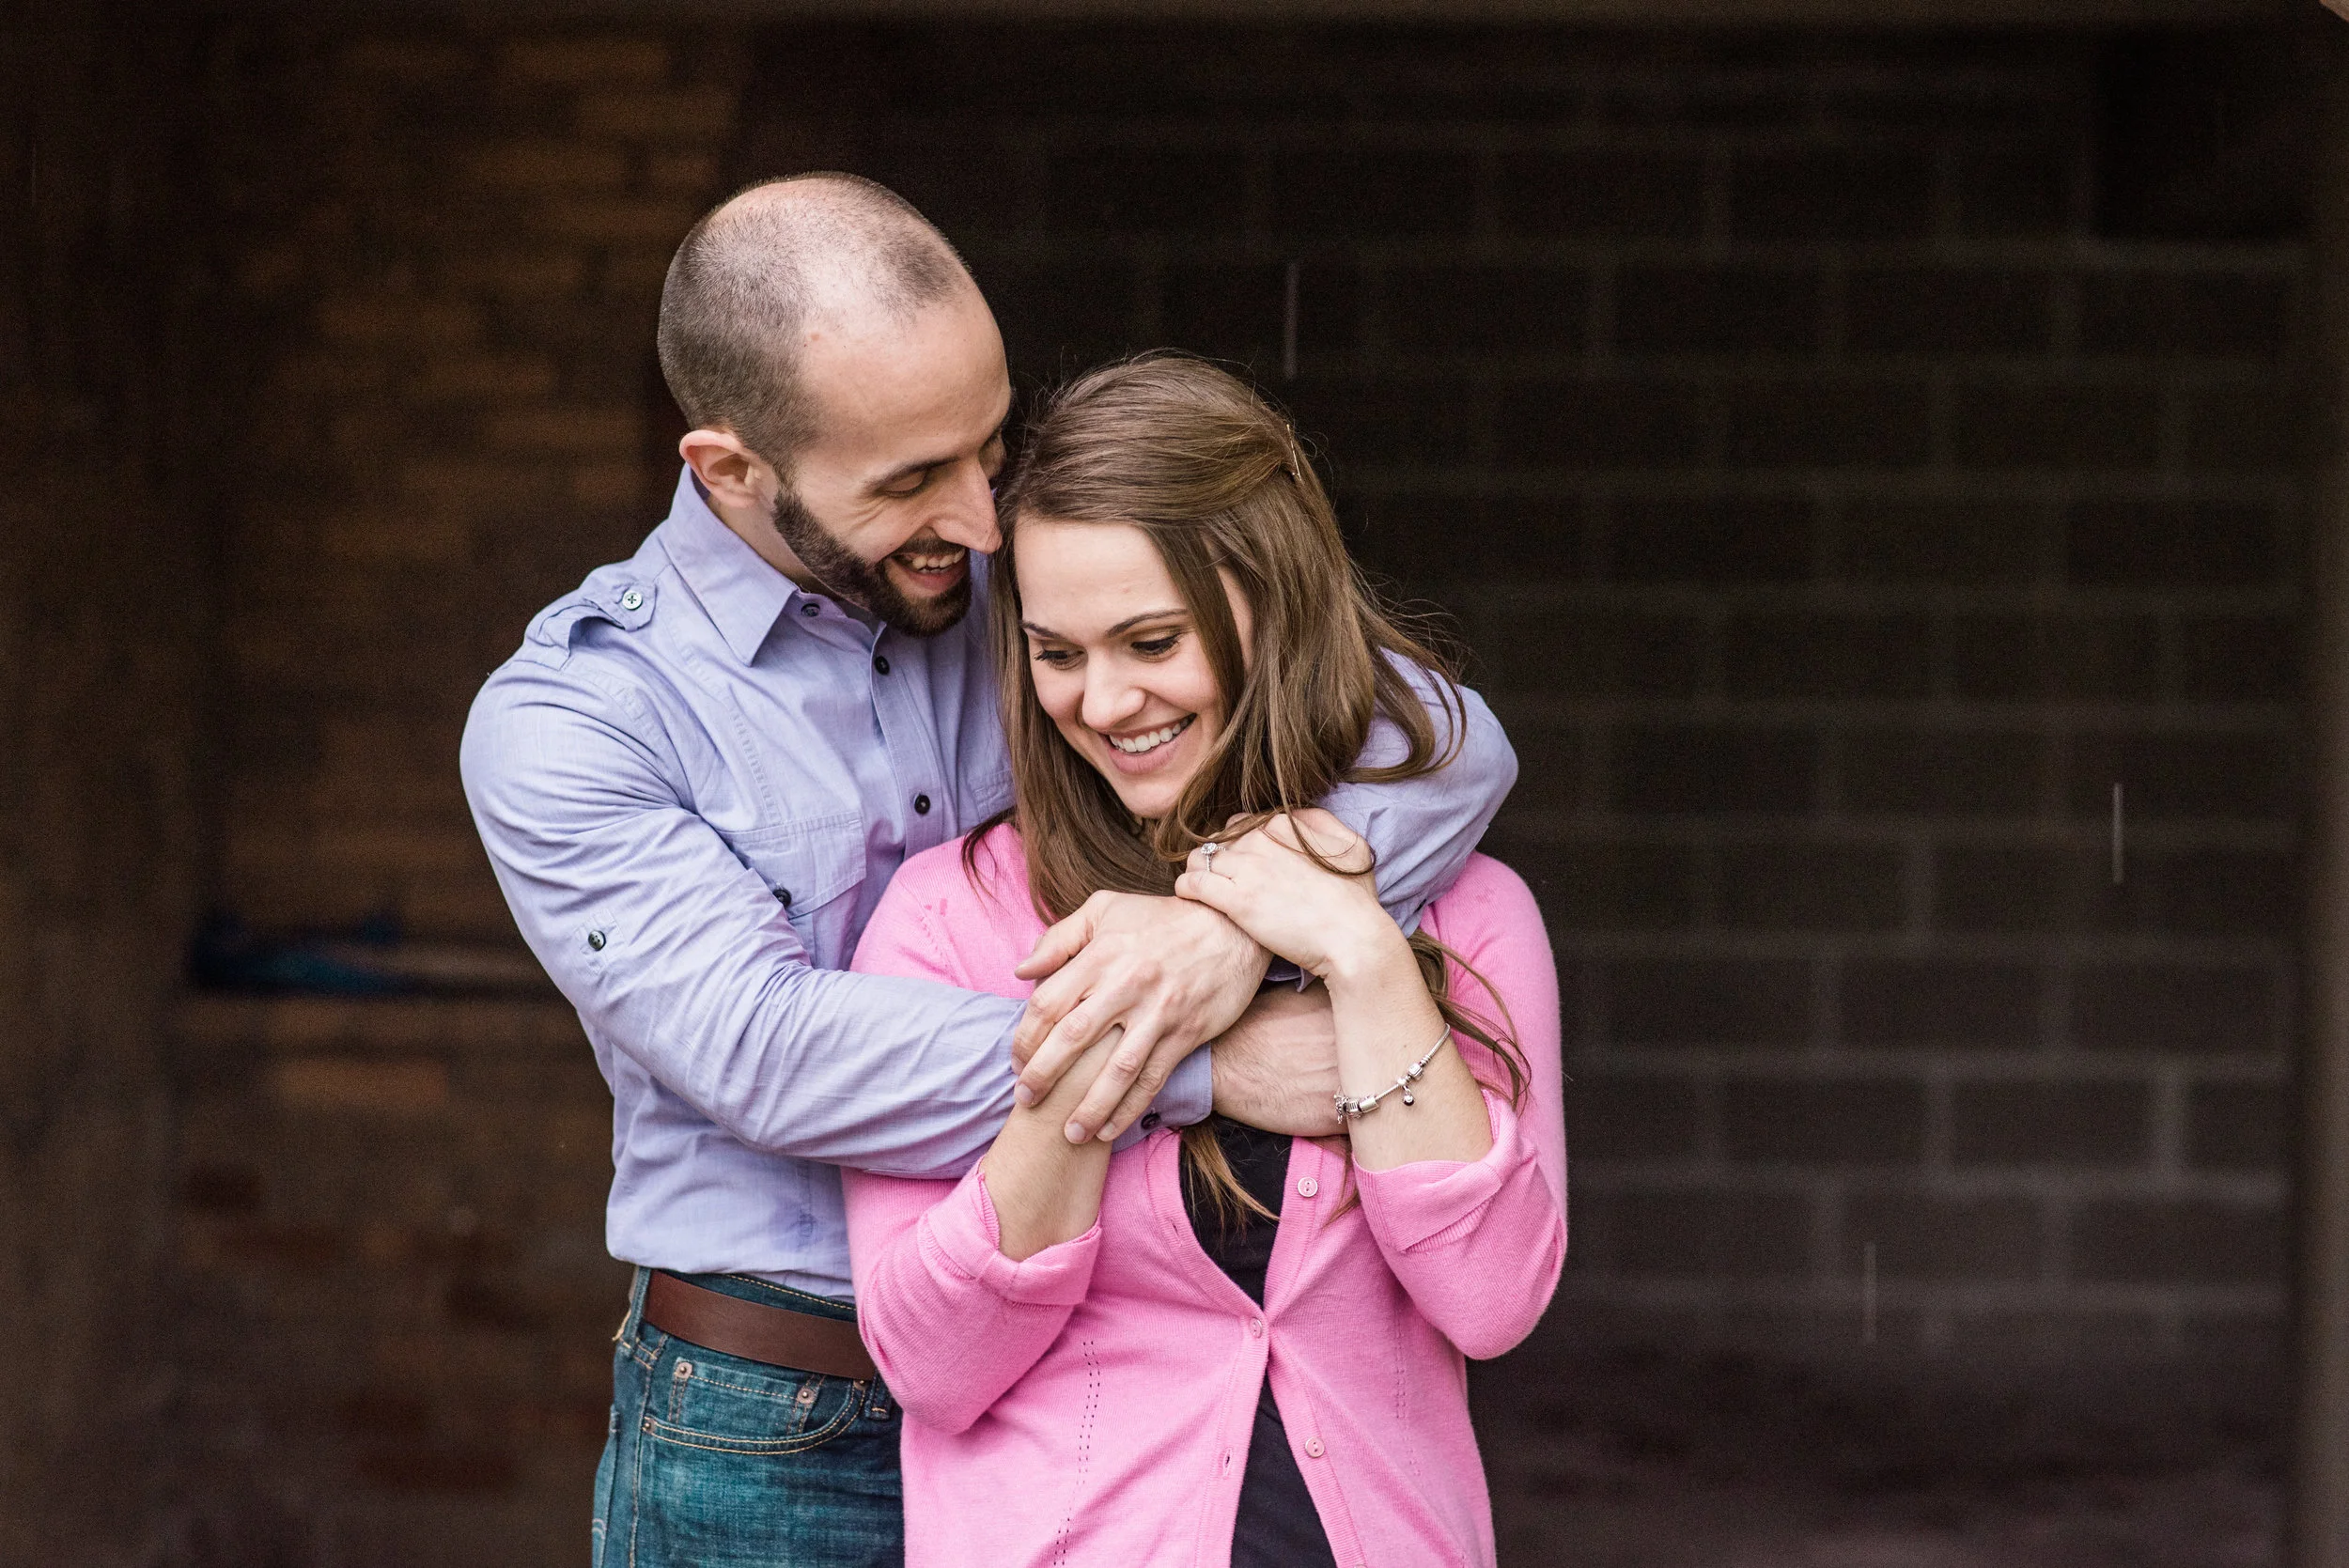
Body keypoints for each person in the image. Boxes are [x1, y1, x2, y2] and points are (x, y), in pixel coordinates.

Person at [458, 176, 1519, 1567]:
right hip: (776, 1424)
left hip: (1096, 1388)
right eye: (911, 480)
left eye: (992, 446)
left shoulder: (1017, 578)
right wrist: (1202, 1060)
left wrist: (1229, 932)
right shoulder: (579, 718)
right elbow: (761, 1050)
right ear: (730, 470)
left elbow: (1440, 739)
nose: (978, 518)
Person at [843, 355, 1565, 1568]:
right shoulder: (950, 918)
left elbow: (1491, 1299)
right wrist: (1120, 1036)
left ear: (1274, 610)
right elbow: (933, 1365)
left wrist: (1360, 948)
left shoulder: (1471, 912)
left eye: (1151, 641)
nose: (1104, 702)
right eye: (1057, 652)